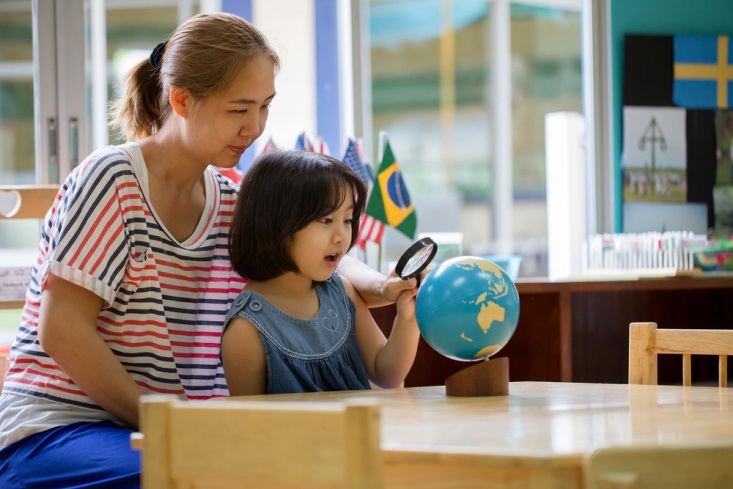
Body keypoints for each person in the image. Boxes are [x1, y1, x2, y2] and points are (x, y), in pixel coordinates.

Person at [0, 12, 416, 489]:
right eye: (238, 110)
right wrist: (173, 425)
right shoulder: (111, 179)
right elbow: (62, 331)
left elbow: (318, 251)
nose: (254, 127)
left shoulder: (233, 198)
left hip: (173, 432)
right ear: (181, 99)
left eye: (265, 107)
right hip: (57, 429)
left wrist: (382, 285)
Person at [222, 150, 420, 395]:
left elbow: (386, 372)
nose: (341, 237)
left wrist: (408, 318)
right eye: (326, 220)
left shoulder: (340, 291)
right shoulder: (245, 329)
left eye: (347, 220)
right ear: (276, 224)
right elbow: (251, 427)